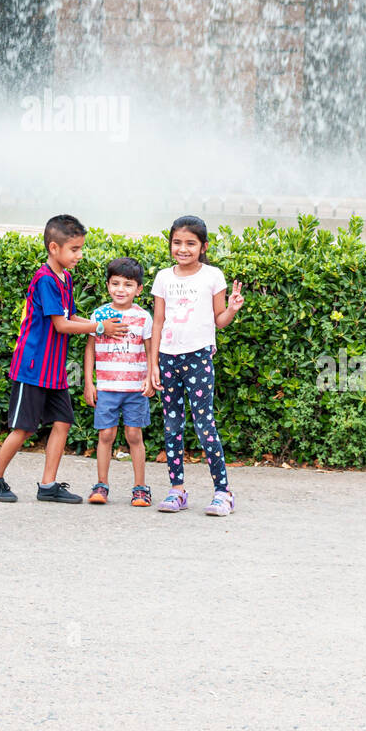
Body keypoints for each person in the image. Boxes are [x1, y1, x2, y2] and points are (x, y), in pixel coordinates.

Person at [0, 215, 126, 504]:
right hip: (32, 367)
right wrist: (99, 328)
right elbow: (61, 324)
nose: (79, 255)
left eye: (80, 248)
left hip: (54, 369)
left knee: (62, 421)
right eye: (74, 249)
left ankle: (48, 485)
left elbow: (71, 316)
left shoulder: (65, 278)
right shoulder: (45, 279)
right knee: (23, 428)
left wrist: (103, 324)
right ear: (53, 247)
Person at [149, 215, 244, 516]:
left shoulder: (212, 276)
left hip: (198, 357)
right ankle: (177, 490)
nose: (183, 248)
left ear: (203, 246)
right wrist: (153, 363)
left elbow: (219, 321)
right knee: (172, 425)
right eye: (177, 242)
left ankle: (223, 493)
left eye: (190, 243)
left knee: (205, 426)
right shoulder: (164, 277)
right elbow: (158, 322)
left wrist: (231, 309)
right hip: (167, 357)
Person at [84, 257, 154, 508]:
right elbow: (90, 349)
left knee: (134, 435)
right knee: (106, 435)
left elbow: (149, 350)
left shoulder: (144, 317)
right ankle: (101, 485)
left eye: (127, 284)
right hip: (107, 387)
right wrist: (89, 383)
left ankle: (140, 488)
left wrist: (150, 377)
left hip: (135, 389)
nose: (120, 289)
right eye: (115, 283)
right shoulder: (99, 315)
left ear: (139, 289)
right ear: (107, 285)